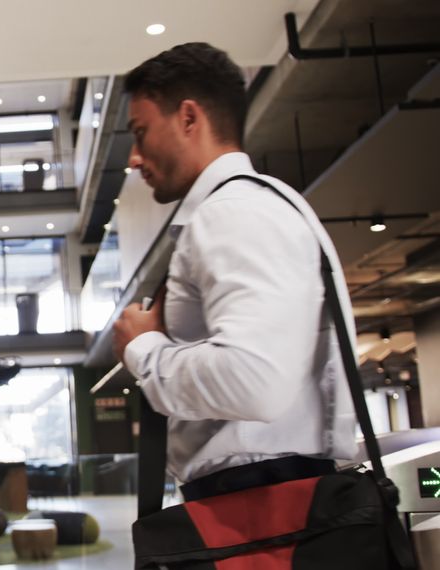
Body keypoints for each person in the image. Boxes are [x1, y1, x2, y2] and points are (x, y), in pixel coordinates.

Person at [111, 42, 358, 500]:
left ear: (188, 118)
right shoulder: (257, 204)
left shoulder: (233, 213)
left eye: (140, 133)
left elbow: (254, 382)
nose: (133, 158)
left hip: (263, 510)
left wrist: (144, 349)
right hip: (277, 499)